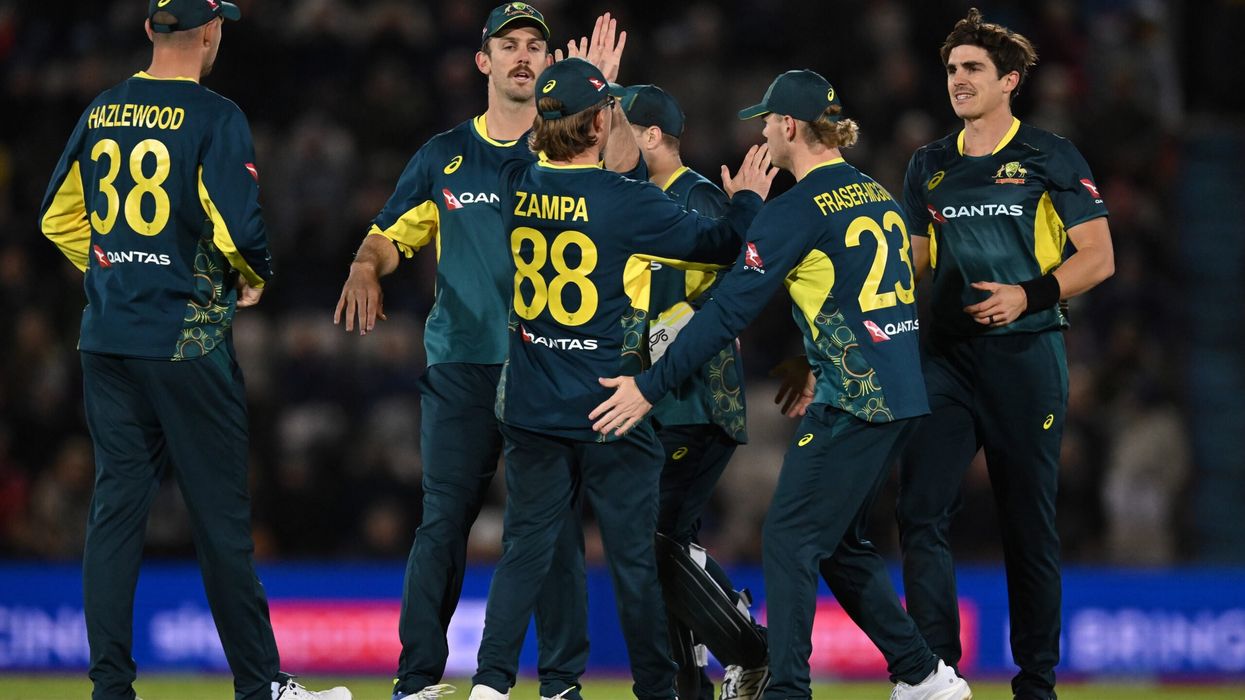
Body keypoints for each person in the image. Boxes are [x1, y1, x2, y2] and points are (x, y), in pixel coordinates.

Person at [591, 69, 972, 700]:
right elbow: (870, 288)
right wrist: (809, 360)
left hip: (856, 399)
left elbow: (727, 312)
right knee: (839, 547)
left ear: (789, 126)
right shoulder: (872, 192)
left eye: (766, 120)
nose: (762, 131)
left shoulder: (795, 208)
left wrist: (650, 386)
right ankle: (923, 674)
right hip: (898, 389)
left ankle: (787, 688)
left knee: (789, 537)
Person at [38, 2, 348, 699]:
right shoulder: (214, 116)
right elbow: (238, 227)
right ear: (210, 33)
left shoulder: (103, 109)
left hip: (108, 339)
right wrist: (252, 276)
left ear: (150, 29)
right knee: (220, 519)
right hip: (184, 340)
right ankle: (259, 684)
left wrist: (120, 265)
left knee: (115, 513)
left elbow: (56, 214)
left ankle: (110, 689)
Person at [334, 7, 638, 700]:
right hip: (463, 365)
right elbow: (389, 234)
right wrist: (362, 264)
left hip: (545, 363)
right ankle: (416, 683)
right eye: (509, 46)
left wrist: (604, 99)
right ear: (484, 62)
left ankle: (560, 684)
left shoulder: (561, 150)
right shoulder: (445, 155)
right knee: (443, 522)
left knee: (553, 529)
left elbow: (621, 174)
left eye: (535, 45)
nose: (524, 56)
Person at [467, 57, 776, 700]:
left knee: (524, 552)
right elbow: (723, 245)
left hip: (530, 403)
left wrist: (572, 97)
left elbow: (528, 140)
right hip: (611, 406)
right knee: (635, 564)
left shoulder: (512, 180)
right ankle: (657, 693)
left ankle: (491, 687)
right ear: (601, 123)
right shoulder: (626, 201)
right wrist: (747, 199)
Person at [895, 9, 1115, 700]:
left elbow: (1099, 258)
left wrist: (1029, 295)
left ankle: (1035, 685)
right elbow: (913, 268)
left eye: (972, 69)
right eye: (951, 69)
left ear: (1009, 81)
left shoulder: (1050, 156)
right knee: (920, 512)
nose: (956, 80)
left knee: (1027, 525)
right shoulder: (927, 165)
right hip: (947, 361)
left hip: (1024, 356)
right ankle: (936, 674)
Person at [621, 83, 768, 700]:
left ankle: (753, 650)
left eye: (615, 125)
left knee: (654, 542)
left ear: (651, 136)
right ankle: (692, 686)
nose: (602, 136)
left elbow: (736, 290)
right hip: (652, 404)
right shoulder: (630, 200)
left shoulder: (701, 200)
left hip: (695, 402)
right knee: (660, 551)